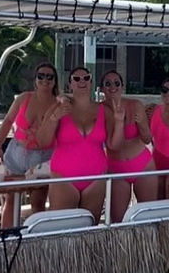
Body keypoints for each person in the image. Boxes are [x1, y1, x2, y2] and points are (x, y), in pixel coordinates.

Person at [37, 67, 124, 223]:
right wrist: (54, 118)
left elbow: (114, 146)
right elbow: (42, 141)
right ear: (70, 84)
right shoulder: (58, 107)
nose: (81, 81)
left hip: (95, 178)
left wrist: (119, 122)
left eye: (86, 78)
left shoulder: (105, 111)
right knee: (60, 229)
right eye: (76, 79)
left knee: (89, 229)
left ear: (91, 83)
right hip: (63, 178)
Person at [0, 63, 59, 227]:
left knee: (38, 202)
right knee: (11, 200)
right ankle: (7, 241)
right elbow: (8, 121)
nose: (45, 79)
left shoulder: (59, 103)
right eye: (41, 76)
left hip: (44, 156)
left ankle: (35, 242)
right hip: (17, 153)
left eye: (49, 76)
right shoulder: (24, 98)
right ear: (35, 80)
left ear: (55, 80)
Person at [101, 70, 157, 222]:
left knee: (149, 216)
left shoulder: (135, 105)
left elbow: (147, 139)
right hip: (116, 168)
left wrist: (142, 124)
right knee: (116, 219)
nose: (113, 86)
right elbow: (112, 146)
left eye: (116, 83)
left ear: (122, 86)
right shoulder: (99, 110)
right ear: (101, 89)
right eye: (108, 83)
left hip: (143, 164)